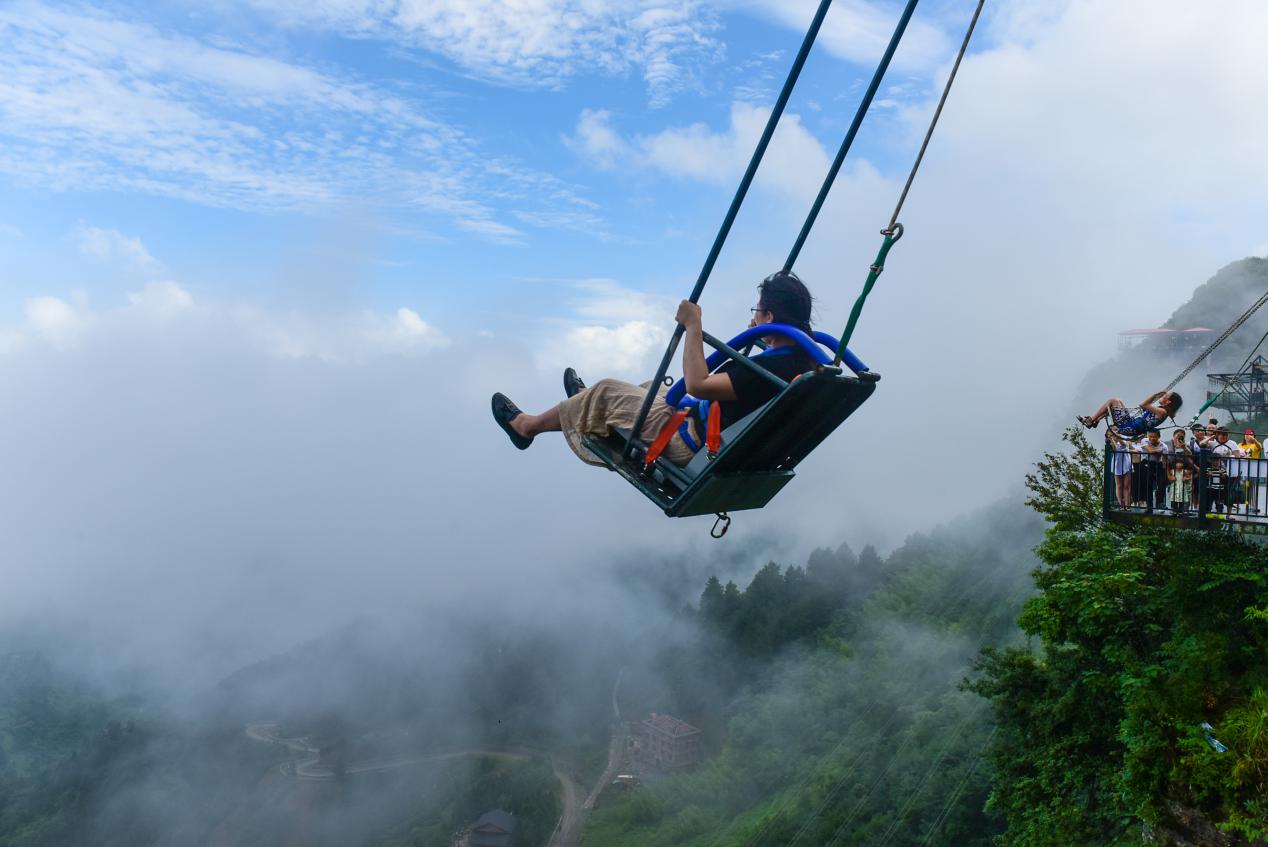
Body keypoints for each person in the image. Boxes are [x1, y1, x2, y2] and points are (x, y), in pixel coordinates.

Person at [491, 270, 821, 467]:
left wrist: (694, 326)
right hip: (716, 435)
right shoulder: (801, 361)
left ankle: (527, 427)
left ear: (771, 318)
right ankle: (583, 399)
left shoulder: (766, 371)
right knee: (651, 386)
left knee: (607, 389)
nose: (755, 315)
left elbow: (697, 384)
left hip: (688, 443)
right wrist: (761, 335)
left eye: (758, 310)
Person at [1078, 390, 1183, 437]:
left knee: (1112, 401)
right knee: (1118, 402)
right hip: (1131, 425)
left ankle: (1091, 420)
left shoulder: (1162, 412)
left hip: (1128, 427)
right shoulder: (1164, 412)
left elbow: (1143, 405)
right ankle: (1095, 420)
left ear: (1168, 402)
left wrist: (1155, 395)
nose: (1162, 396)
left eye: (1165, 396)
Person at [1135, 428, 1169, 513]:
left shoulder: (1164, 446)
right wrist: (1158, 452)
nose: (1152, 438)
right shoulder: (1144, 440)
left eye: (1154, 437)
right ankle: (1149, 506)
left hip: (1158, 464)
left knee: (1161, 483)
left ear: (1159, 437)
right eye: (1150, 436)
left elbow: (1164, 459)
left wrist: (1166, 471)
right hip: (1146, 463)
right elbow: (1150, 451)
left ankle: (1160, 503)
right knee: (1147, 484)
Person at [1167, 429, 1195, 513]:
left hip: (1185, 472)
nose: (1179, 437)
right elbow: (1167, 462)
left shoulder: (1187, 446)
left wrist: (1184, 447)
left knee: (1187, 491)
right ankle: (1174, 509)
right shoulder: (1169, 446)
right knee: (1174, 490)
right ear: (1174, 436)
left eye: (1182, 436)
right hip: (1174, 472)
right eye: (1177, 435)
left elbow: (1190, 456)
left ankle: (1185, 510)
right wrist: (1169, 475)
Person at [1106, 429, 1135, 508]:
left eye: (1113, 432)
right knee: (1119, 485)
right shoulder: (1109, 442)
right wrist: (1112, 439)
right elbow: (1115, 449)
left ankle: (1127, 505)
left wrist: (1118, 438)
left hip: (1126, 462)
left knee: (1127, 486)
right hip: (1117, 463)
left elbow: (1125, 445)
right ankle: (1120, 504)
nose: (1113, 434)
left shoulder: (1124, 437)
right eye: (1110, 434)